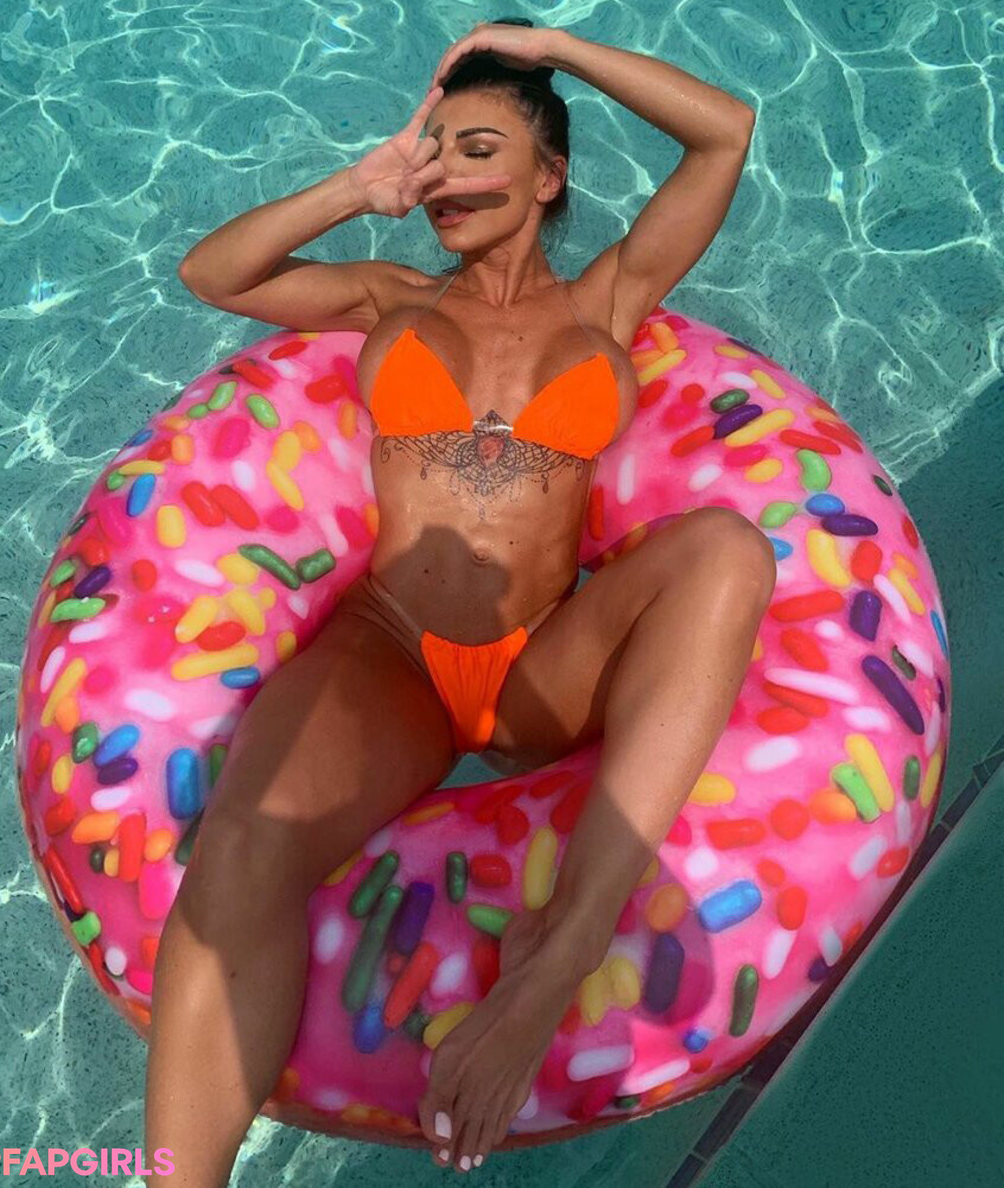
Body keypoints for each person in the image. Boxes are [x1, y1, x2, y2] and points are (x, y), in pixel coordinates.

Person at [148, 19, 772, 1184]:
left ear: (549, 176)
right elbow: (212, 274)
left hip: (544, 662)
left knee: (729, 552)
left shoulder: (609, 301)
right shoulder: (388, 296)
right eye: (432, 154)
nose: (443, 177)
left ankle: (559, 953)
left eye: (476, 149)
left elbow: (725, 134)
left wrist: (554, 46)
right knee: (240, 843)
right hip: (393, 651)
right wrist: (359, 185)